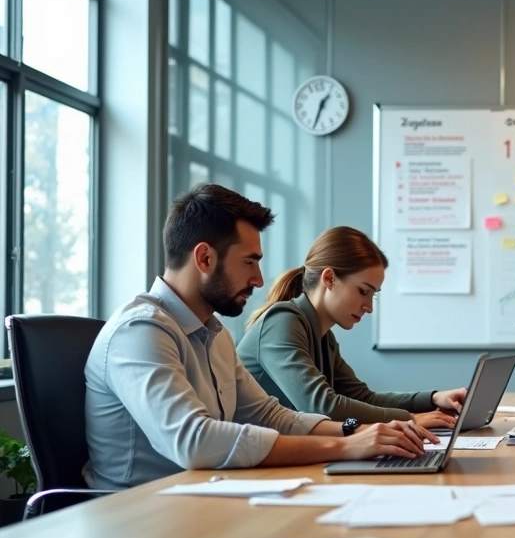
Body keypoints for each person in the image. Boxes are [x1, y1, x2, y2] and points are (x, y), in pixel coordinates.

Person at [84, 185, 438, 490]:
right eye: (249, 262)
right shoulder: (141, 331)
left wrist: (353, 433)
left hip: (202, 495)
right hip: (140, 512)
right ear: (204, 258)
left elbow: (270, 416)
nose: (258, 279)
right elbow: (195, 440)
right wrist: (345, 447)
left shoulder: (214, 335)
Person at [237, 227, 465, 428]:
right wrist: (410, 418)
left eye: (373, 295)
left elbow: (362, 398)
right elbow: (322, 406)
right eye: (363, 291)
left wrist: (432, 399)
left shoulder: (323, 337)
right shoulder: (281, 322)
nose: (369, 307)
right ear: (329, 279)